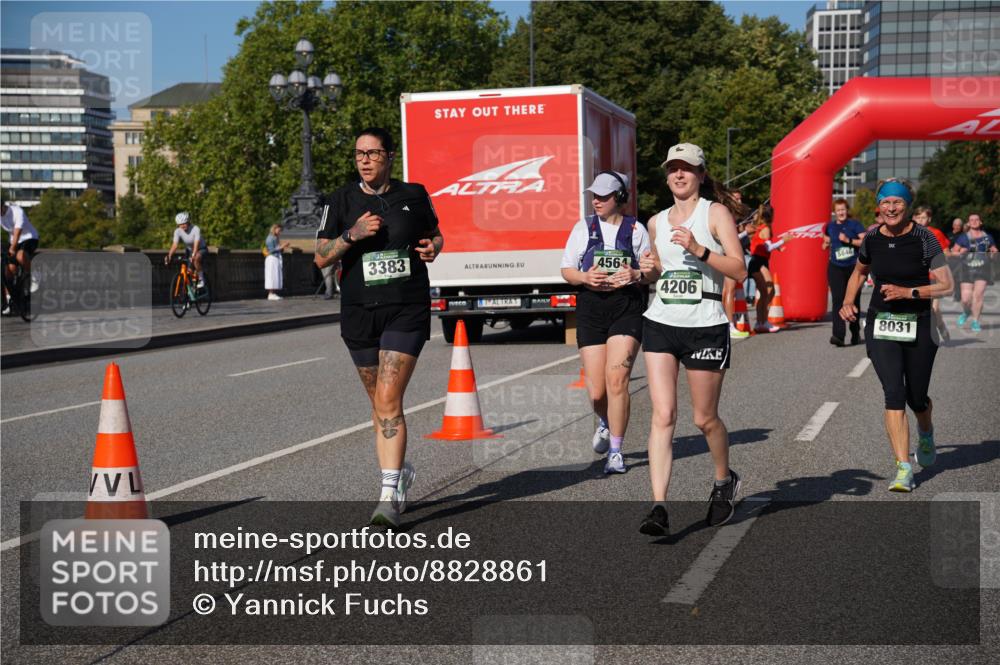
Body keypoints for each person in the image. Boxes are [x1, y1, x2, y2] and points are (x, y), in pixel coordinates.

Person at [315, 127, 443, 528]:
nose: (365, 160)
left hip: (405, 307)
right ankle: (400, 471)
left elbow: (436, 236)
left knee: (388, 399)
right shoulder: (341, 199)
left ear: (390, 156)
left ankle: (389, 494)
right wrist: (352, 234)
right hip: (358, 312)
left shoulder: (414, 195)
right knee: (380, 405)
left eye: (373, 153)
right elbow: (320, 258)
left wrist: (433, 247)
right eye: (359, 154)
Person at [636, 143, 748, 536]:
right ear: (666, 176)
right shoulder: (655, 222)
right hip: (661, 320)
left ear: (701, 174)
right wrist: (646, 271)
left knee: (704, 418)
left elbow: (739, 270)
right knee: (663, 415)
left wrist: (699, 249)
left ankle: (723, 482)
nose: (679, 175)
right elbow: (658, 273)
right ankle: (659, 507)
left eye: (687, 169)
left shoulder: (714, 213)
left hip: (704, 322)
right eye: (673, 169)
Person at [839, 179, 953, 492]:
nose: (891, 208)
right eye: (886, 202)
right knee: (894, 393)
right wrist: (848, 301)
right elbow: (859, 272)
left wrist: (909, 291)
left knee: (917, 398)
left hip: (919, 322)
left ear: (908, 206)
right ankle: (903, 468)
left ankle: (925, 431)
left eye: (897, 203)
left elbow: (946, 284)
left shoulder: (924, 238)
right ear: (880, 206)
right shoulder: (872, 238)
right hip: (882, 323)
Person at [560, 171, 650, 474]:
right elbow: (567, 269)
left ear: (620, 198)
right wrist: (585, 277)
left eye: (604, 196)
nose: (596, 201)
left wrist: (636, 274)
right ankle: (604, 420)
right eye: (594, 195)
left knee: (617, 381)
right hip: (591, 308)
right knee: (597, 392)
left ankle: (616, 450)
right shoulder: (583, 228)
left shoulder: (636, 230)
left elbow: (651, 269)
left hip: (627, 307)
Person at [822, 198, 867, 346]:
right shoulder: (830, 226)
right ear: (834, 212)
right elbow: (827, 239)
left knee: (853, 300)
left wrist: (848, 240)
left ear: (847, 210)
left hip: (853, 268)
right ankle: (838, 335)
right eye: (838, 210)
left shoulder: (854, 224)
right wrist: (825, 243)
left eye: (843, 209)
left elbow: (865, 241)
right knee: (837, 301)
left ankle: (855, 332)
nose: (841, 212)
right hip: (835, 266)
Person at [951, 213, 997, 333]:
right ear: (968, 223)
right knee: (966, 299)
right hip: (967, 269)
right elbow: (953, 252)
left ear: (980, 222)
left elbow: (994, 250)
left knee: (978, 295)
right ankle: (966, 312)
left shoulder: (988, 237)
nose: (974, 221)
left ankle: (976, 321)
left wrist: (993, 253)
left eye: (977, 219)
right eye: (972, 220)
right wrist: (961, 252)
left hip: (983, 269)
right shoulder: (963, 238)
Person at [747, 204, 788, 333]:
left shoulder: (762, 228)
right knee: (768, 292)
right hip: (758, 262)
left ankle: (761, 321)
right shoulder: (765, 228)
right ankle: (762, 321)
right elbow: (767, 247)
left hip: (760, 261)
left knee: (767, 292)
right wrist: (783, 241)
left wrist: (778, 247)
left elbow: (764, 244)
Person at [912, 206, 950, 340]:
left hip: (935, 277)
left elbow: (946, 252)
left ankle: (940, 327)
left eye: (924, 217)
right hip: (917, 277)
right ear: (914, 218)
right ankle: (924, 334)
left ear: (929, 219)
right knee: (920, 307)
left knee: (934, 309)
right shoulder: (911, 233)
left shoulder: (936, 233)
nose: (921, 220)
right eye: (918, 217)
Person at [721, 189, 750, 339]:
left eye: (740, 199)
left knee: (726, 291)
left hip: (722, 255)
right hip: (726, 256)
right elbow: (729, 238)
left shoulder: (728, 214)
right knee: (729, 291)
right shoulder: (726, 214)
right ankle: (729, 325)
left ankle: (725, 324)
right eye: (737, 199)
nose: (739, 201)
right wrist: (746, 233)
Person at [1, 194, 40, 304]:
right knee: (9, 271)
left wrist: (12, 248)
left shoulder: (17, 211)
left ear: (3, 206)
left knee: (20, 255)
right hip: (14, 240)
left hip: (29, 238)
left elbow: (18, 232)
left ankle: (35, 274)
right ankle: (10, 300)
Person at [165, 212, 207, 287]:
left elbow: (196, 243)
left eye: (185, 223)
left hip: (201, 248)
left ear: (188, 222)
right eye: (181, 224)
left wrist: (193, 255)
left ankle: (201, 279)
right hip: (189, 250)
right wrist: (169, 255)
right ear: (178, 225)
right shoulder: (177, 231)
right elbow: (175, 245)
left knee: (196, 259)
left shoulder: (195, 228)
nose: (183, 226)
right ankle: (191, 288)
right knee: (189, 271)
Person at [264, 223, 290, 300]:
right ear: (274, 229)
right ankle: (270, 293)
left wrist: (282, 247)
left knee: (275, 276)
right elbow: (271, 250)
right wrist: (282, 246)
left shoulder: (275, 238)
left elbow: (277, 248)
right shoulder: (270, 238)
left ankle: (273, 293)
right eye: (279, 230)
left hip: (276, 258)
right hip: (271, 258)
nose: (279, 232)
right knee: (271, 276)